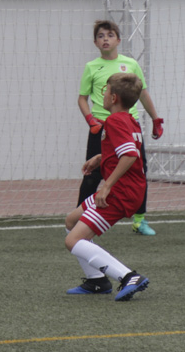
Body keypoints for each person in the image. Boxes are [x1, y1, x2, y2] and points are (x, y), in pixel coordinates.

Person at [65, 72, 151, 301]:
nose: (102, 94)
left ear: (113, 98)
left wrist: (106, 186)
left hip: (121, 192)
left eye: (105, 90)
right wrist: (101, 158)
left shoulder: (114, 120)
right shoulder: (129, 120)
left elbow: (130, 155)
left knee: (72, 241)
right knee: (71, 221)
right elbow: (124, 149)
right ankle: (96, 281)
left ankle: (128, 276)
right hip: (128, 189)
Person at [78, 20, 164, 236]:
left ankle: (140, 220)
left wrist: (155, 118)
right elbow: (82, 99)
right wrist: (90, 119)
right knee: (91, 174)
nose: (105, 38)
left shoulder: (131, 64)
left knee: (138, 172)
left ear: (118, 39)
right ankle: (79, 219)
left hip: (128, 127)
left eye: (109, 35)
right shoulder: (91, 67)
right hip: (102, 128)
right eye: (100, 35)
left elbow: (142, 93)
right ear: (95, 42)